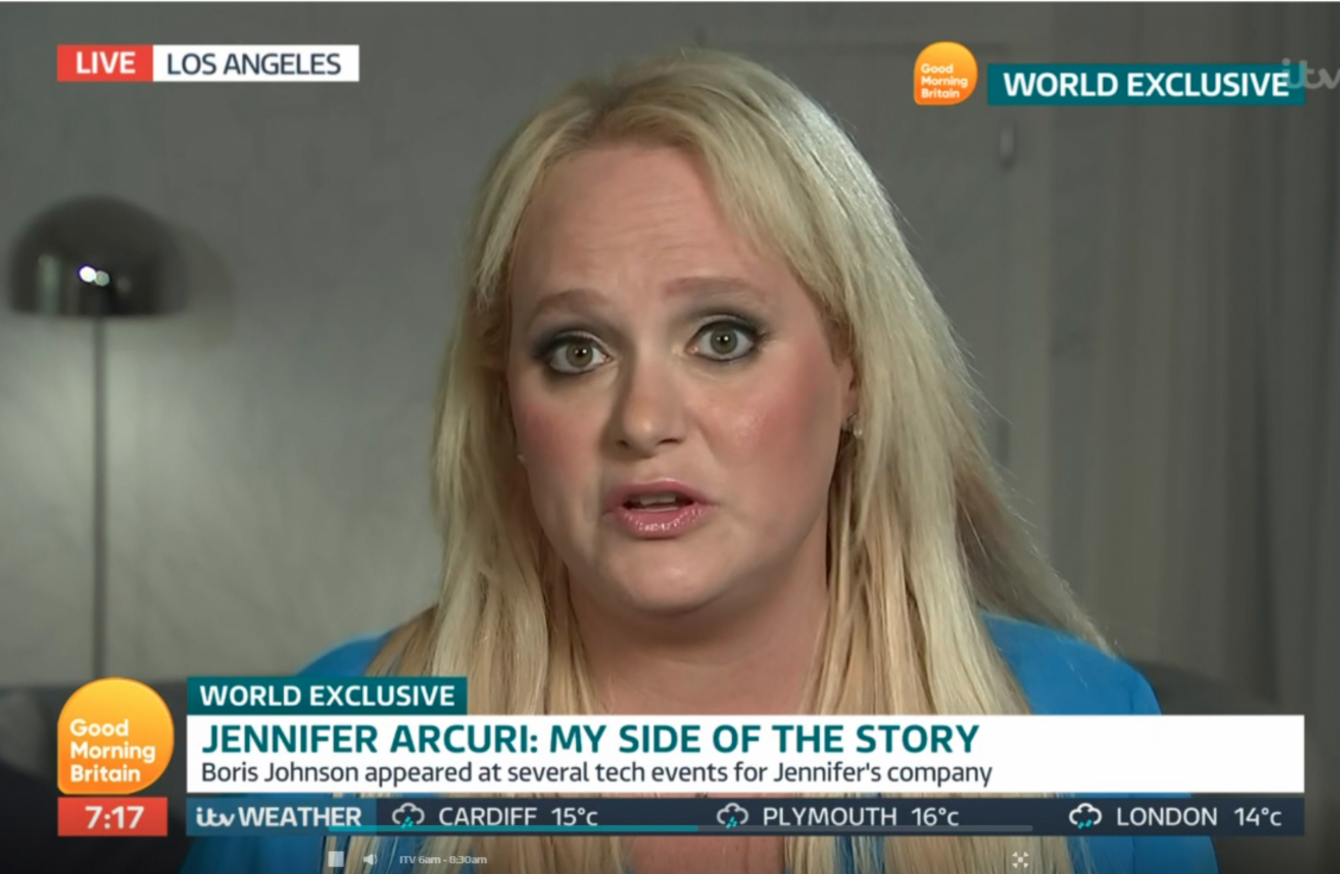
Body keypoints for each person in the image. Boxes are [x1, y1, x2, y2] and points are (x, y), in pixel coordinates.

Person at [181, 49, 1219, 874]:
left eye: (723, 337)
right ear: (507, 408)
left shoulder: (1089, 730)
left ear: (853, 370)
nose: (642, 420)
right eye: (575, 351)